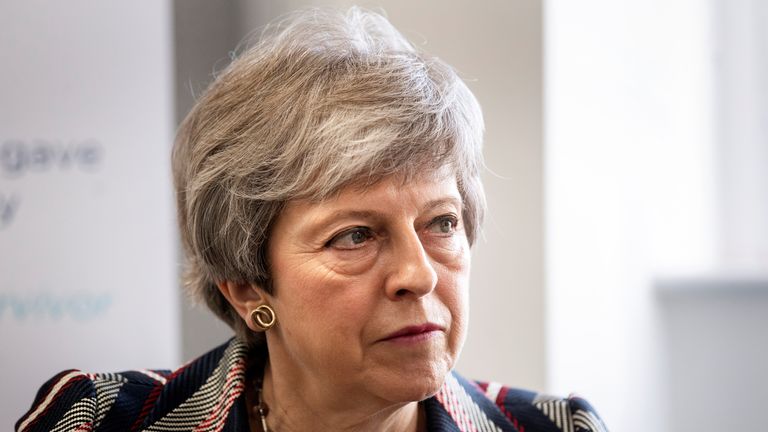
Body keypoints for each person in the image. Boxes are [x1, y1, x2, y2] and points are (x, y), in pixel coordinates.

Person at [16, 7, 607, 432]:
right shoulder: (98, 421)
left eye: (442, 223)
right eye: (354, 235)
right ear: (248, 287)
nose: (419, 275)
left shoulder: (559, 427)